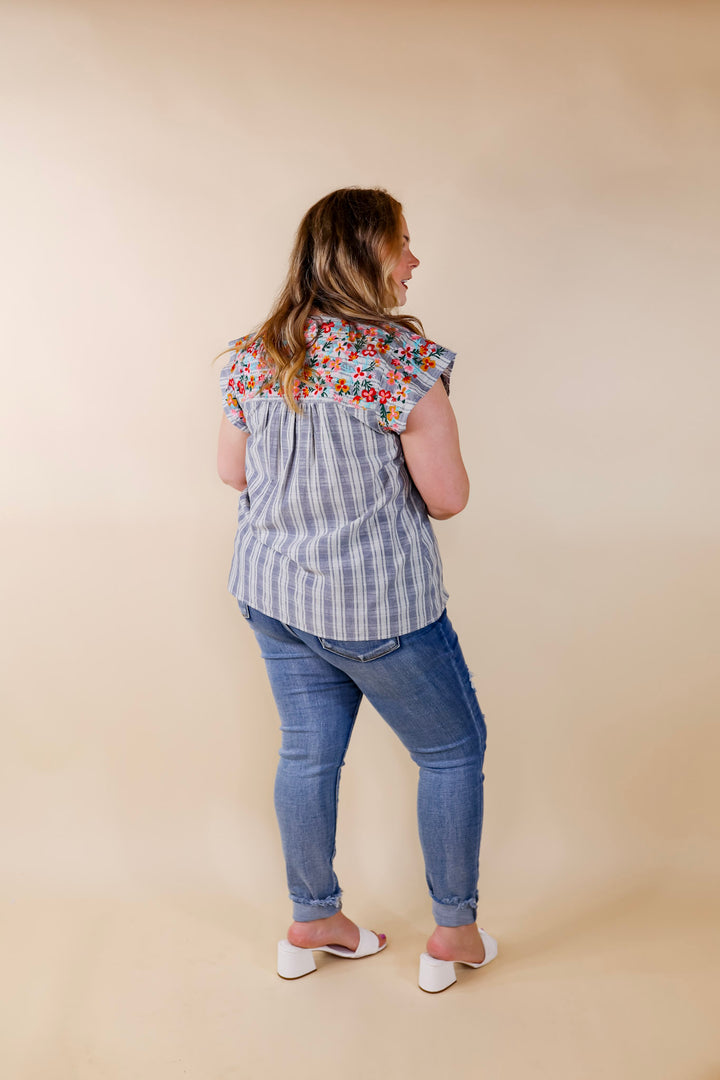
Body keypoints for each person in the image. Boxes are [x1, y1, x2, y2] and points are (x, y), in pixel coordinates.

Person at [217, 187, 496, 992]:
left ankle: (313, 919)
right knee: (452, 752)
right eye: (403, 245)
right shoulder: (402, 365)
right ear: (365, 255)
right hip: (377, 610)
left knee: (307, 751)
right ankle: (454, 935)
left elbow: (232, 473)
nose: (414, 261)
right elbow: (447, 497)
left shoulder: (252, 354)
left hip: (272, 595)